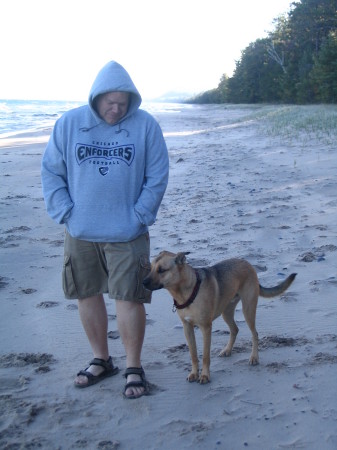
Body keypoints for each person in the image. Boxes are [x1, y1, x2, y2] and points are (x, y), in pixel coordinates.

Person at [41, 61, 169, 399]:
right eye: (109, 102)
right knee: (87, 294)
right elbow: (51, 171)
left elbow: (157, 175)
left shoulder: (145, 126)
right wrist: (66, 212)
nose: (115, 109)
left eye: (122, 104)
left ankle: (133, 366)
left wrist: (140, 214)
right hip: (80, 232)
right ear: (95, 98)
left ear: (131, 101)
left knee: (129, 298)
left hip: (127, 233)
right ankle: (101, 359)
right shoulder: (69, 124)